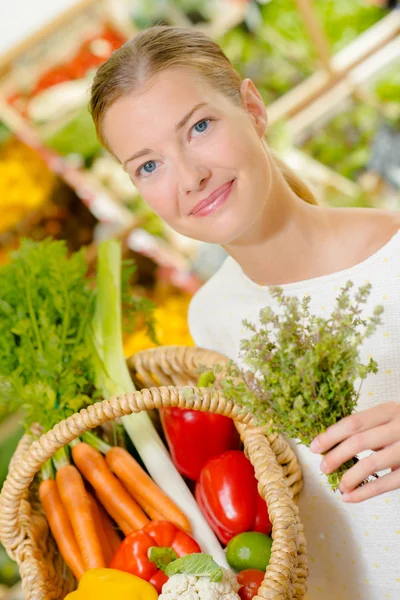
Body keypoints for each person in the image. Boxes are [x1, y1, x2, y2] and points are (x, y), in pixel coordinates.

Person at [89, 25, 400, 600]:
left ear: (252, 109)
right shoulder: (211, 317)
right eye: (148, 166)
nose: (189, 177)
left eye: (199, 128)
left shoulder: (393, 256)